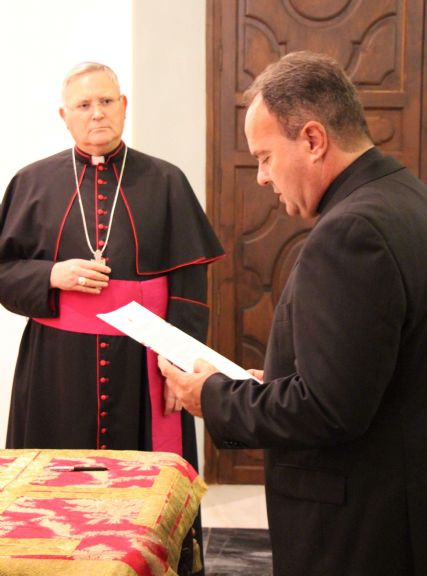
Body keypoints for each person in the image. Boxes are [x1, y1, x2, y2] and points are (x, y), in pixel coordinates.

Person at [158, 50, 427, 576]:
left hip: (356, 529)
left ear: (312, 139)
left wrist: (212, 395)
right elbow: (364, 375)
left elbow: (329, 410)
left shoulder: (352, 234)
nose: (260, 176)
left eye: (263, 156)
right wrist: (271, 382)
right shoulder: (406, 197)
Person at [0, 62, 223, 572]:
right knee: (57, 494)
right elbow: (4, 271)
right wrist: (51, 275)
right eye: (84, 105)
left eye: (106, 101)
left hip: (145, 361)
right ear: (64, 115)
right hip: (58, 367)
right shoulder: (31, 182)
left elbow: (190, 283)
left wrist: (181, 362)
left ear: (124, 106)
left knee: (145, 491)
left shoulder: (166, 181)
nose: (96, 113)